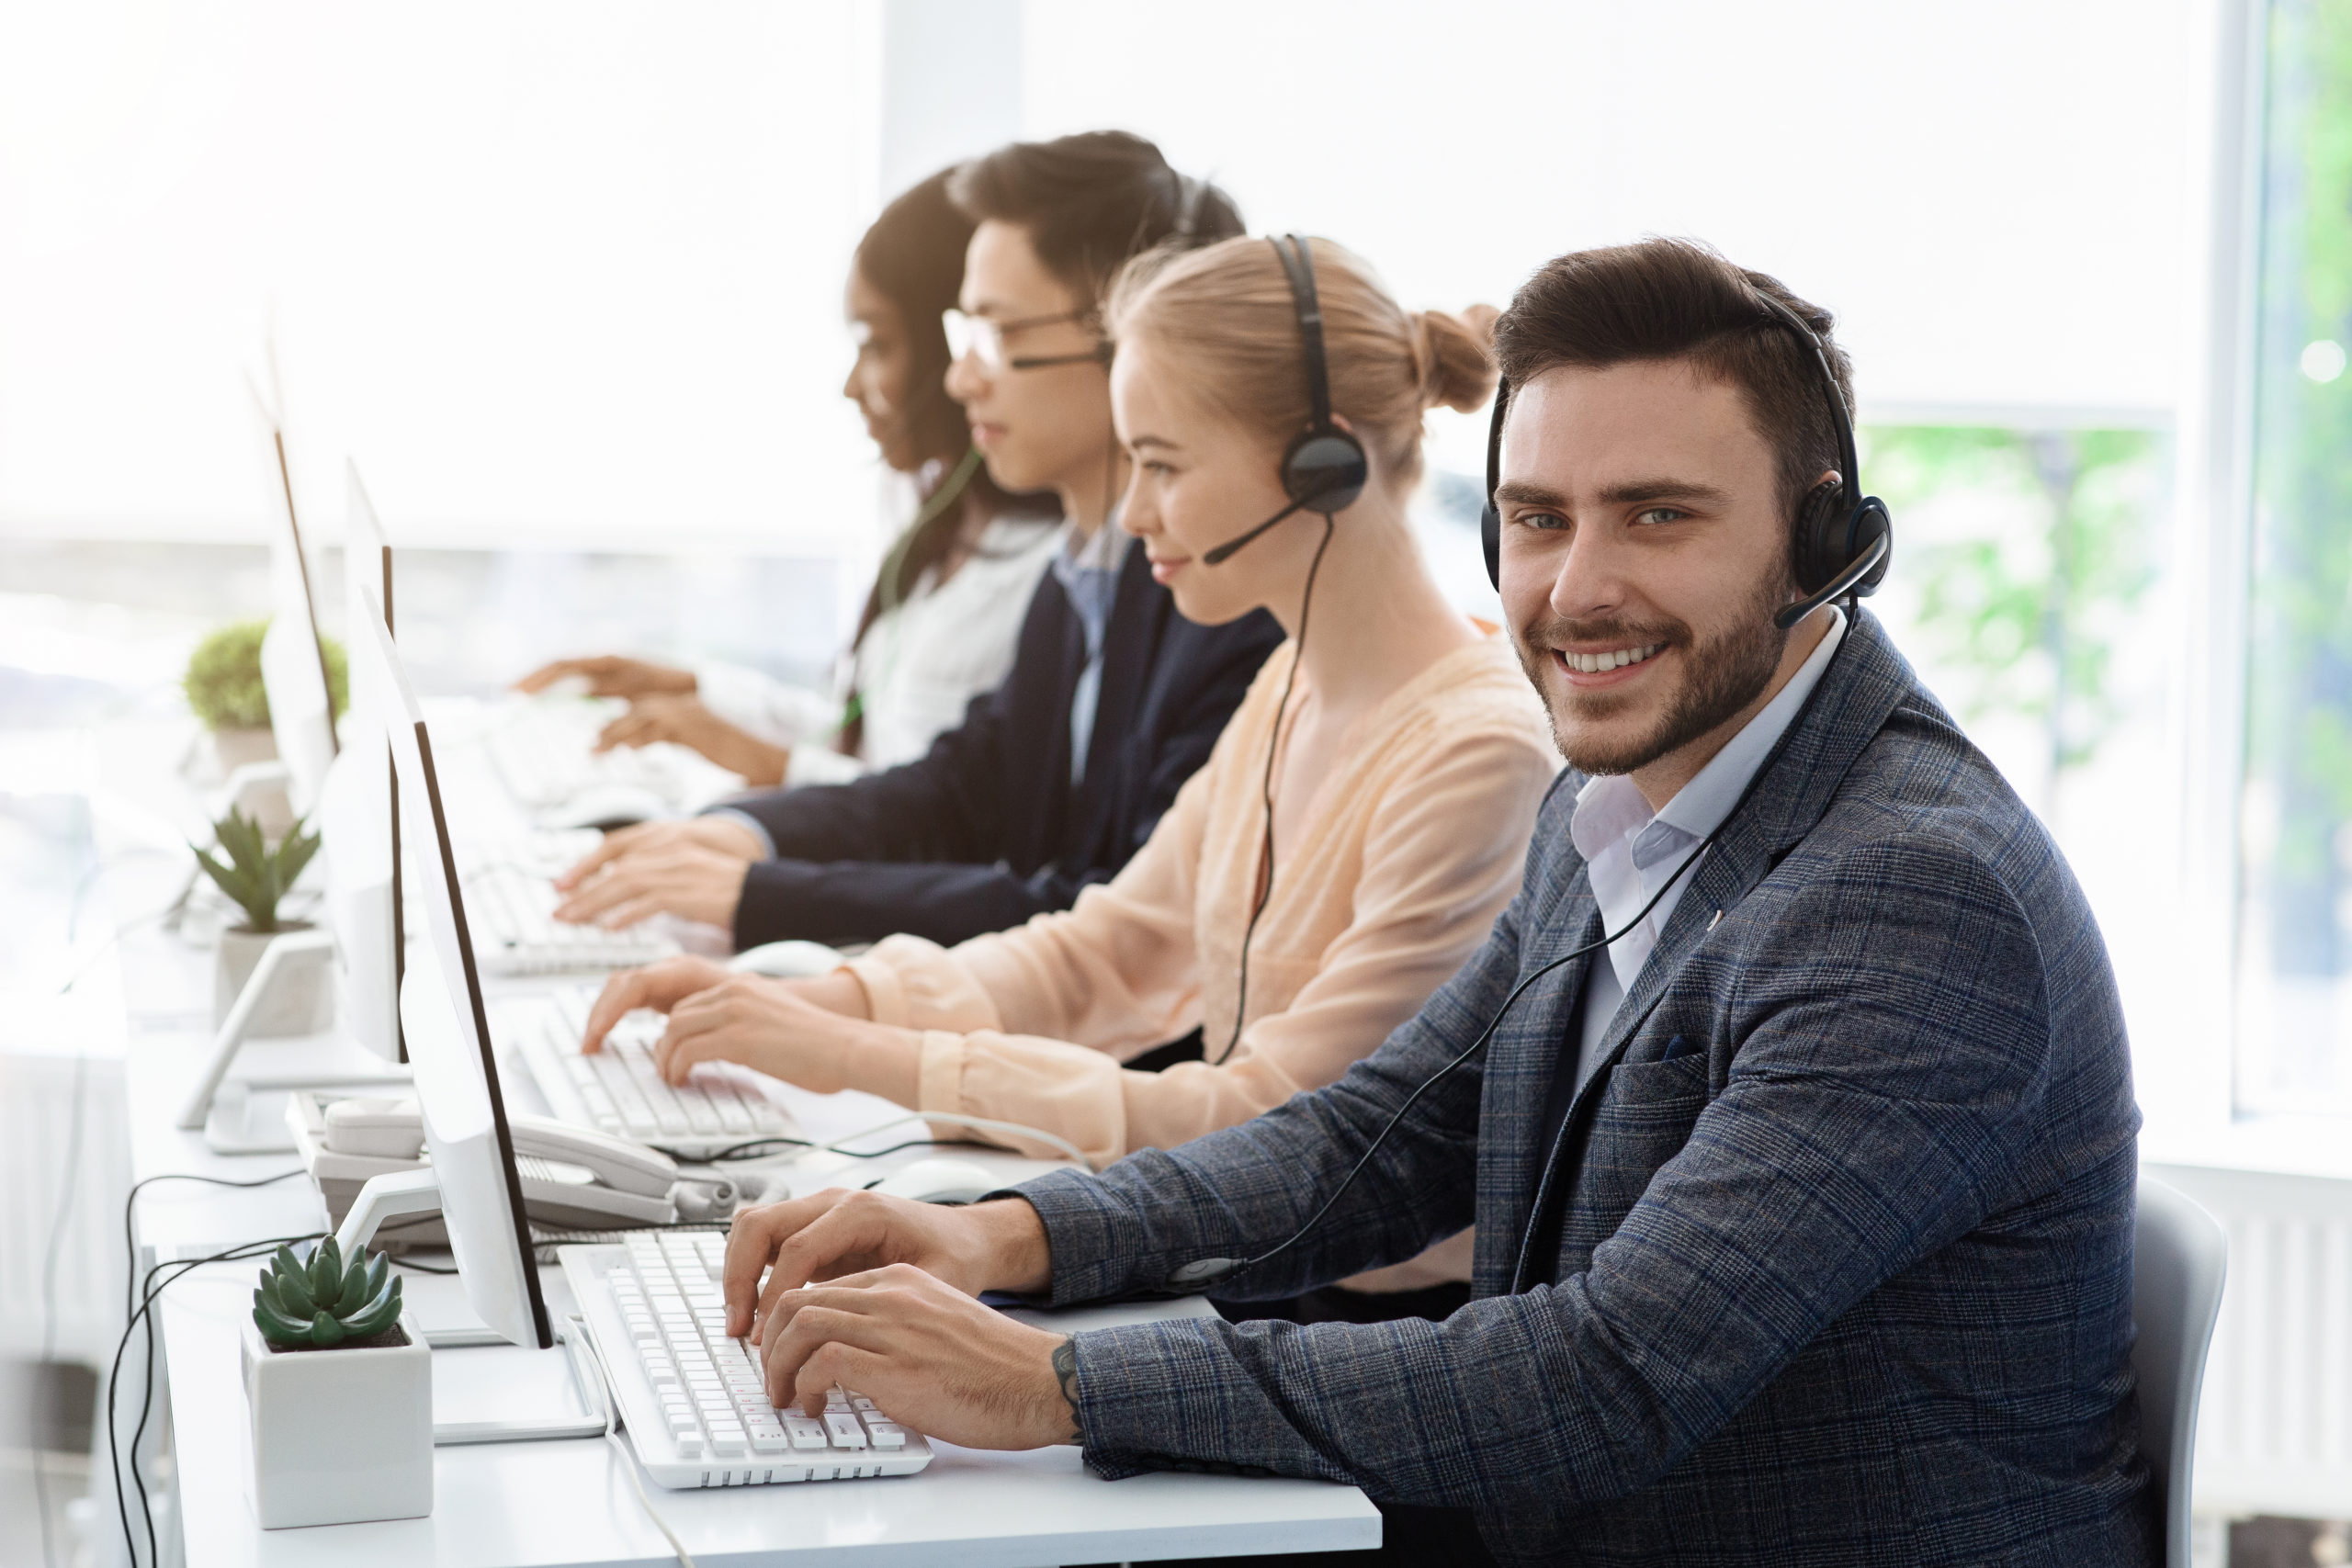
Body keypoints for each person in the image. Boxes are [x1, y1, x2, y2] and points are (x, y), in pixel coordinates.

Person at [706, 239, 2151, 1566]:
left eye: (1659, 515)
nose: (1579, 588)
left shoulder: (1912, 897)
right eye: (1538, 517)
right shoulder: (1615, 806)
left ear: (1824, 538)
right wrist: (1004, 1232)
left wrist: (1051, 1378)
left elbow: (1607, 1373)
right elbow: (1374, 1138)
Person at [582, 235, 1558, 1324]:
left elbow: (1273, 1122)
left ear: (1317, 467)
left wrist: (864, 1054)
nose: (1133, 512)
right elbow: (1109, 947)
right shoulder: (1292, 681)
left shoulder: (1480, 757)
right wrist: (806, 1004)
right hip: (1238, 1271)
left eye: (1165, 463)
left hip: (1354, 1325)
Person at [549, 132, 1283, 952]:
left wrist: (771, 895)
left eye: (998, 336)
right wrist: (748, 836)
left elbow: (1117, 921)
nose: (962, 377)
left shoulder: (1228, 605)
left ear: (1129, 340)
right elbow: (960, 790)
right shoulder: (1084, 574)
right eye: (964, 333)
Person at [517, 168, 1064, 789]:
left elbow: (933, 814)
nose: (852, 385)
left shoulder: (1045, 572)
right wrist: (697, 693)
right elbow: (869, 737)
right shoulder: (939, 523)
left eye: (878, 344)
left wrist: (758, 758)